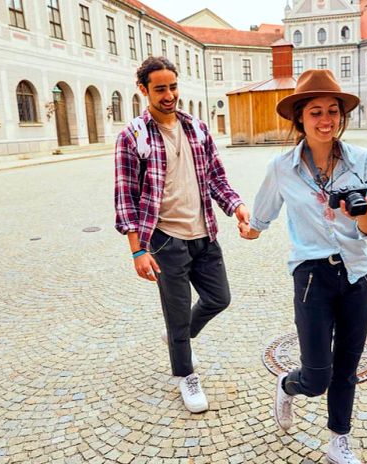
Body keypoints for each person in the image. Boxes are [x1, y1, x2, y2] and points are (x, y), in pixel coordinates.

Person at [240, 69, 367, 464]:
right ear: (299, 119)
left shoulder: (362, 160)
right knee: (317, 376)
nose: (326, 120)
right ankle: (288, 385)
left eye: (333, 111)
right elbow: (261, 217)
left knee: (347, 368)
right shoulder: (281, 167)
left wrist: (362, 216)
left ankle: (339, 439)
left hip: (357, 272)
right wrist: (247, 229)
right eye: (316, 112)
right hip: (311, 276)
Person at [114, 56, 250, 413]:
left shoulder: (197, 129)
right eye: (160, 89)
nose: (169, 95)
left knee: (219, 298)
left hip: (204, 233)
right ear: (144, 90)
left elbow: (217, 179)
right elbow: (125, 198)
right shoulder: (133, 136)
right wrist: (137, 251)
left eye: (173, 87)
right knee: (175, 316)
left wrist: (237, 207)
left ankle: (181, 337)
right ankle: (186, 375)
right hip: (164, 239)